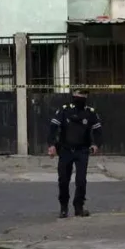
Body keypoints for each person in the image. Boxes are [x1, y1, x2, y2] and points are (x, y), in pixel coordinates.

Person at [48, 89, 101, 218]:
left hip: (82, 150)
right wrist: (51, 145)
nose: (81, 98)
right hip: (65, 150)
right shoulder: (65, 111)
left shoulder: (90, 113)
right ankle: (64, 208)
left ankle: (79, 207)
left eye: (84, 96)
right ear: (73, 96)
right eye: (79, 95)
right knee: (63, 180)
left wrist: (95, 144)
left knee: (81, 180)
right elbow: (53, 128)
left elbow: (98, 131)